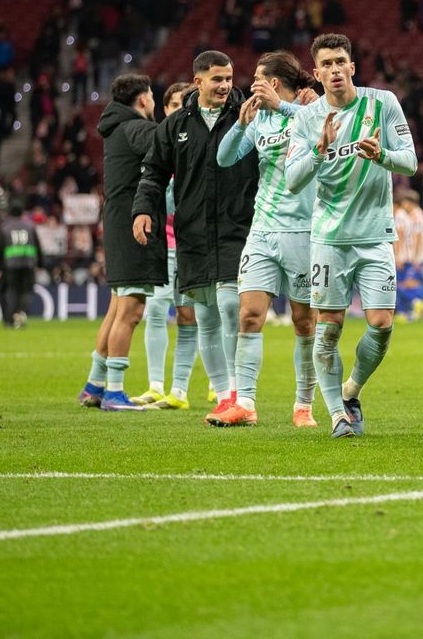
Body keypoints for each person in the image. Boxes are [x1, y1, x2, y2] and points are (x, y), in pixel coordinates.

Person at [284, 33, 417, 438]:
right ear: (317, 72)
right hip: (328, 238)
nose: (335, 69)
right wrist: (319, 151)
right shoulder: (306, 119)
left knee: (381, 323)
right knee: (329, 328)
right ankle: (337, 416)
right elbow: (292, 181)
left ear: (352, 66)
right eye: (326, 64)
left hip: (375, 235)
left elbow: (409, 162)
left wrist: (382, 156)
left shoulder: (382, 103)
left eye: (341, 61)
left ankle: (351, 391)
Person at [133, 51, 258, 422]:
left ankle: (240, 392)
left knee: (232, 308)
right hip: (193, 231)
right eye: (216, 79)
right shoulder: (176, 125)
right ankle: (223, 395)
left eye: (229, 78)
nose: (224, 85)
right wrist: (142, 209)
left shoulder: (247, 115)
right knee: (204, 316)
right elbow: (153, 171)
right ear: (198, 81)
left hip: (238, 226)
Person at [209, 51, 319, 428]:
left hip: (304, 232)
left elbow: (323, 128)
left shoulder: (308, 110)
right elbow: (223, 158)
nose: (250, 84)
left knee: (304, 323)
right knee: (249, 316)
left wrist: (286, 108)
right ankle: (247, 404)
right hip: (263, 230)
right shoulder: (259, 121)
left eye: (257, 77)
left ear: (273, 82)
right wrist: (241, 126)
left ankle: (303, 405)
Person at [83, 73, 162, 411]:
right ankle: (114, 392)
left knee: (117, 306)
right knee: (131, 310)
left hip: (116, 222)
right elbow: (165, 146)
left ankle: (95, 384)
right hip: (131, 225)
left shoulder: (117, 128)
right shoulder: (135, 128)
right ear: (143, 100)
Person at [132, 82, 201, 409]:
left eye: (181, 104)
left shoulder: (198, 140)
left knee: (189, 314)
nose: (177, 109)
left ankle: (180, 392)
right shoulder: (159, 142)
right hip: (163, 240)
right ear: (164, 108)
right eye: (172, 104)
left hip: (191, 241)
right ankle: (156, 385)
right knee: (157, 308)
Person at [0, 201, 43, 330]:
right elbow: (38, 247)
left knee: (12, 291)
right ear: (22, 212)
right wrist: (40, 264)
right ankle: (20, 312)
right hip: (28, 263)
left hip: (10, 265)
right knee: (26, 291)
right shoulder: (30, 226)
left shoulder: (4, 227)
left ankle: (11, 317)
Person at [393, 191, 423, 319]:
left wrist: (414, 256)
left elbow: (417, 237)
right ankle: (407, 310)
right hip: (411, 256)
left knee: (408, 284)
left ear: (410, 203)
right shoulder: (411, 215)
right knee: (404, 284)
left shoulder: (417, 216)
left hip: (415, 257)